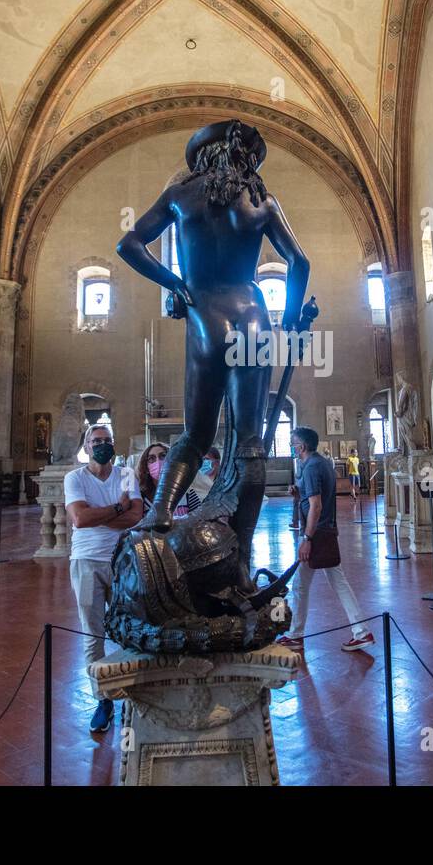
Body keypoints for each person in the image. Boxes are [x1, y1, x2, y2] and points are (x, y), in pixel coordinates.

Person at [116, 119, 309, 579]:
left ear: (203, 156)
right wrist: (293, 317)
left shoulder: (181, 196)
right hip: (253, 313)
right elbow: (298, 261)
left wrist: (175, 284)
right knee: (250, 444)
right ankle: (241, 558)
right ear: (246, 158)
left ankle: (160, 511)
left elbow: (128, 244)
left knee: (195, 435)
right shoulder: (262, 201)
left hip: (206, 312)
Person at [64, 424, 144, 732]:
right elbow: (80, 519)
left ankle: (135, 690)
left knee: (132, 625)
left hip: (123, 559)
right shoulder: (75, 477)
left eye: (107, 440)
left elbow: (135, 517)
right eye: (96, 441)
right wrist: (118, 507)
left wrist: (106, 513)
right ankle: (102, 698)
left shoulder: (126, 474)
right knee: (92, 633)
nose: (102, 445)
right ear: (86, 446)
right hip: (86, 562)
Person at [277, 427, 374, 654]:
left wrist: (307, 538)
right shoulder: (322, 463)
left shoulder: (311, 467)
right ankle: (361, 631)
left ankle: (296, 635)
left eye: (293, 443)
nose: (292, 447)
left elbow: (317, 505)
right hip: (325, 531)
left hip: (317, 534)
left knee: (301, 585)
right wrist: (298, 494)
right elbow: (314, 498)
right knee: (332, 582)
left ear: (301, 446)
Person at [135, 442, 200, 518]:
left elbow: (200, 519)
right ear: (146, 468)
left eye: (163, 456)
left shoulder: (187, 492)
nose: (158, 462)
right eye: (151, 459)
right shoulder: (140, 497)